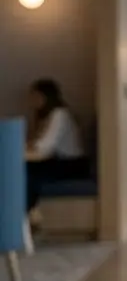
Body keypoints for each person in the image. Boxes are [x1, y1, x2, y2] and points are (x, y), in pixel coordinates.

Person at [24, 79, 88, 215]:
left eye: (35, 96)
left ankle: (26, 214)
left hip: (71, 165)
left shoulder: (59, 115)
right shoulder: (48, 116)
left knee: (28, 175)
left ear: (45, 97)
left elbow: (45, 147)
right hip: (59, 162)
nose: (32, 101)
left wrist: (25, 148)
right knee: (25, 169)